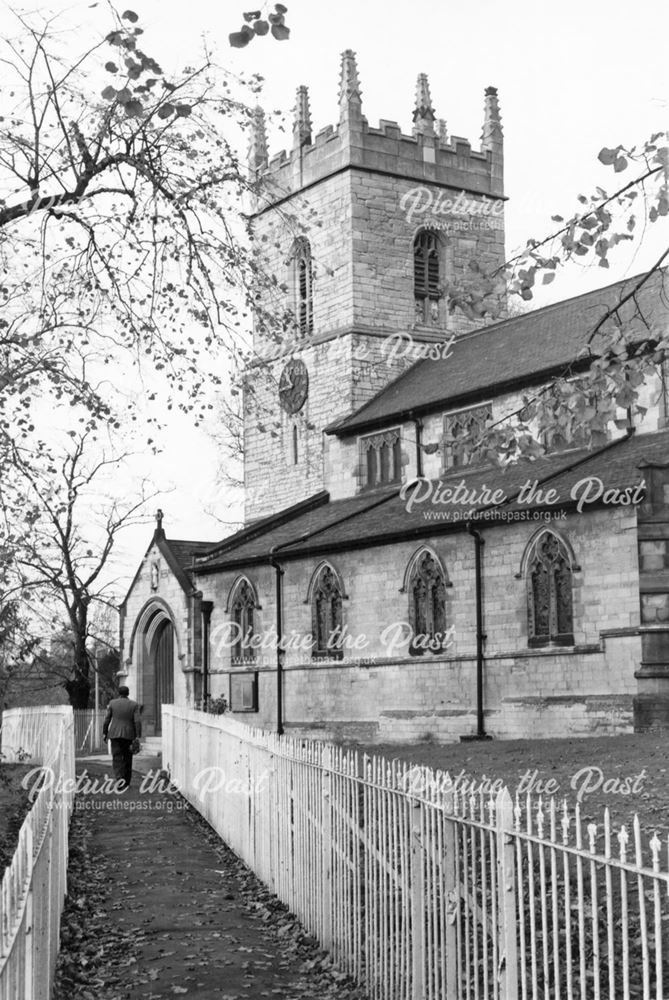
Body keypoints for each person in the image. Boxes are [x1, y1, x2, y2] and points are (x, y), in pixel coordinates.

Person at [102, 685, 141, 790]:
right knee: (128, 757)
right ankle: (127, 781)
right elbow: (137, 721)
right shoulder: (134, 705)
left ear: (119, 693)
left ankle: (119, 780)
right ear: (128, 693)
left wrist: (104, 733)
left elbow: (107, 719)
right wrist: (138, 735)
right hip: (129, 735)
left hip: (114, 734)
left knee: (117, 757)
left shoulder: (112, 703)